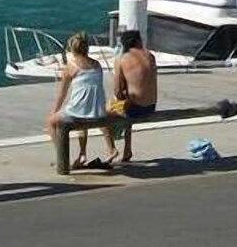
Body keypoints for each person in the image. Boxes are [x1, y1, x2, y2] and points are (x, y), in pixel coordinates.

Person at [46, 32, 118, 168]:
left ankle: (62, 158)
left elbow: (62, 94)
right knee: (87, 108)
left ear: (72, 50)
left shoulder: (70, 68)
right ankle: (84, 153)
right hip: (97, 113)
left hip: (79, 113)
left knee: (51, 122)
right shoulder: (97, 65)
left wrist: (53, 112)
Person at [113, 29, 157, 162]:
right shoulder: (151, 56)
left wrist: (123, 95)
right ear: (138, 41)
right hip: (151, 106)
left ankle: (112, 148)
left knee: (106, 111)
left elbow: (117, 91)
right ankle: (127, 149)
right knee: (127, 103)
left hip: (135, 108)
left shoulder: (121, 60)